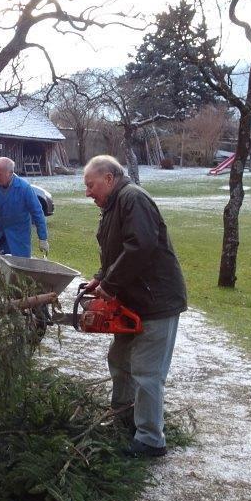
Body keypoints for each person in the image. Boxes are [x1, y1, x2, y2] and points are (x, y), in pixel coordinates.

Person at [81, 154, 187, 459]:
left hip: (155, 301)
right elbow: (117, 250)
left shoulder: (133, 199)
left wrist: (110, 285)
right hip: (133, 301)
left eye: (91, 185)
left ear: (109, 179)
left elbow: (140, 247)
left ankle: (151, 440)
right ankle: (124, 416)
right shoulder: (113, 205)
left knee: (147, 371)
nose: (87, 192)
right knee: (120, 360)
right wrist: (100, 278)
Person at [0, 156, 49, 258]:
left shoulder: (24, 188)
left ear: (10, 173)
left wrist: (43, 238)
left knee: (19, 266)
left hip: (19, 236)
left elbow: (37, 213)